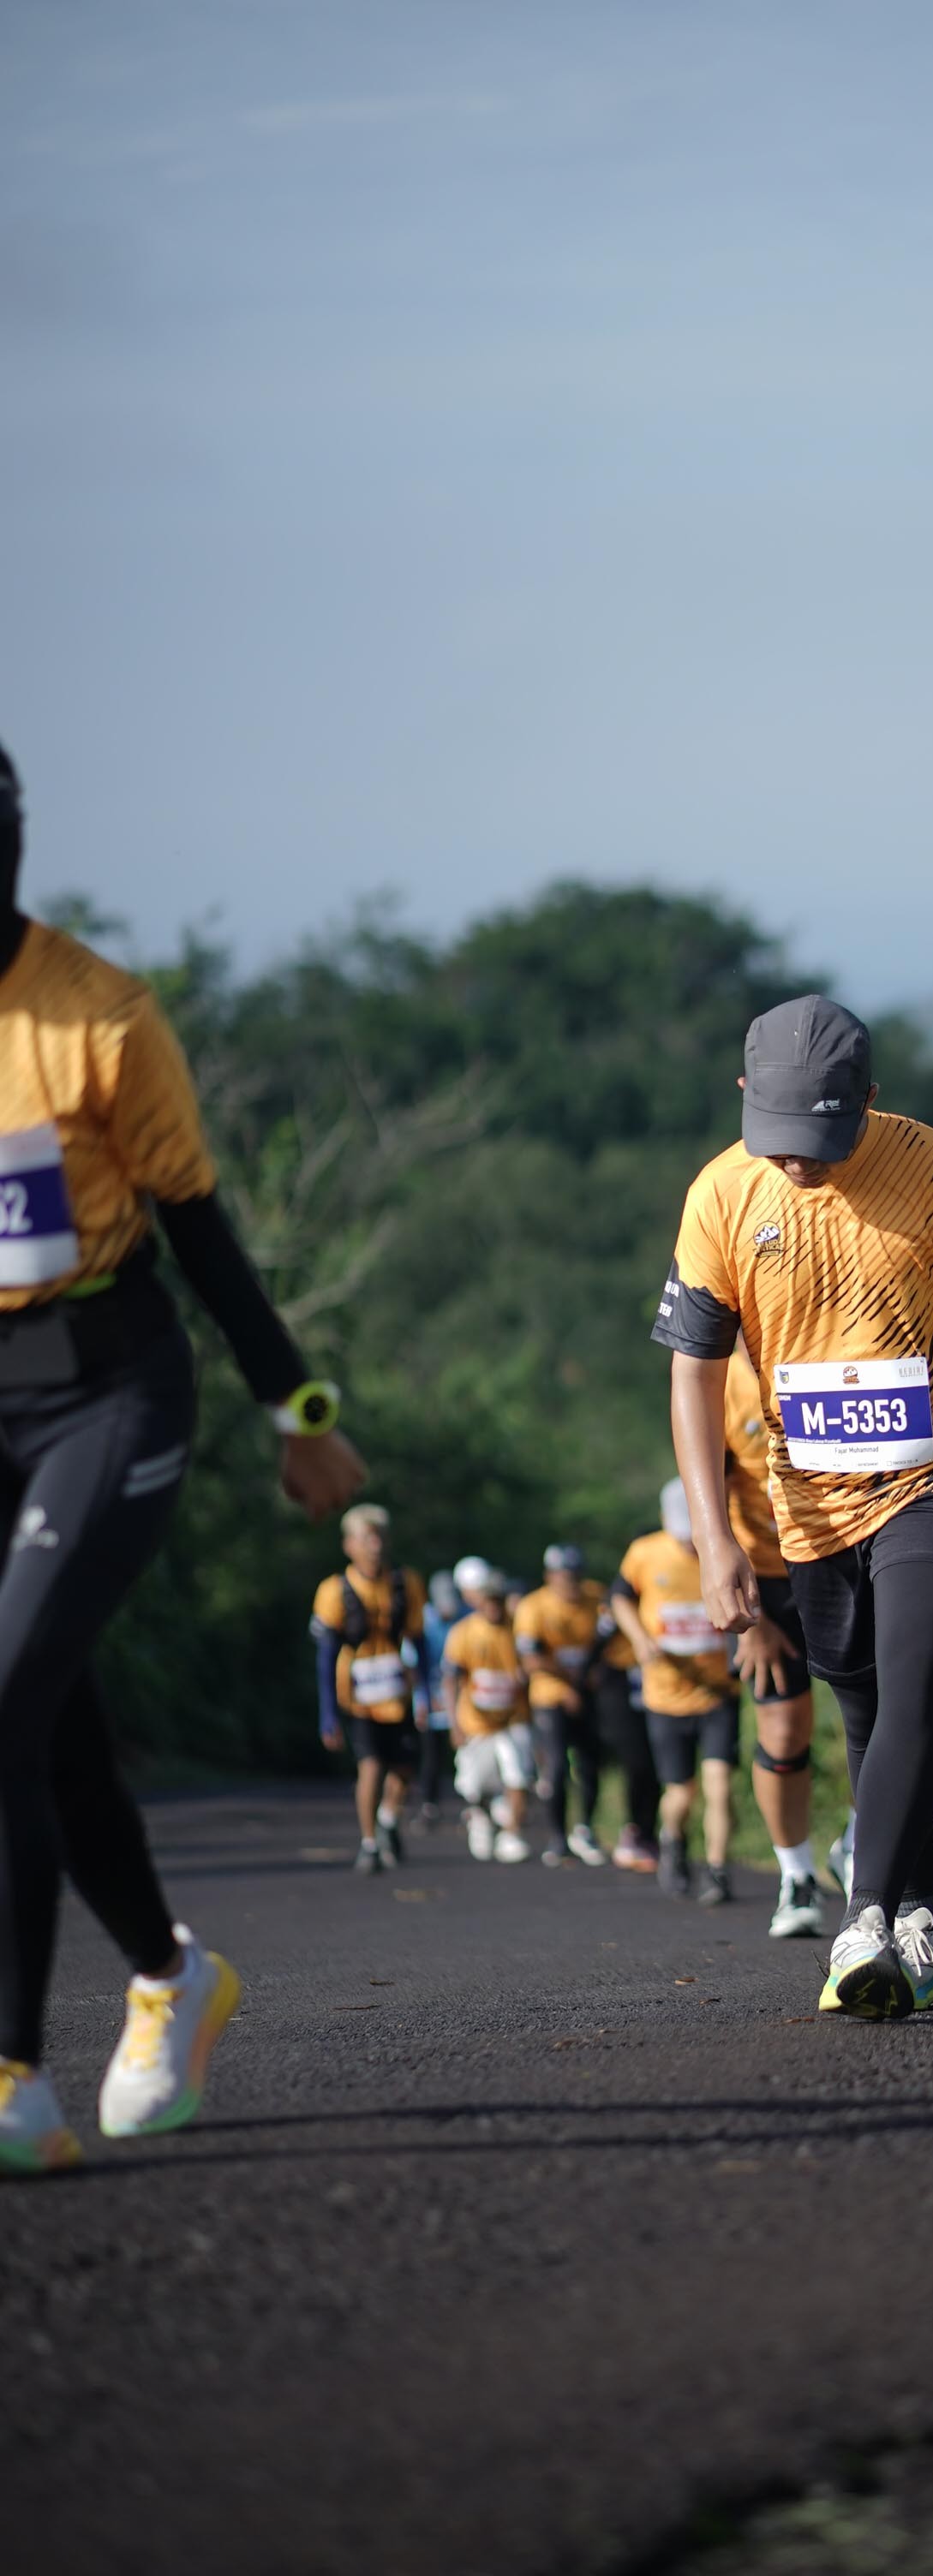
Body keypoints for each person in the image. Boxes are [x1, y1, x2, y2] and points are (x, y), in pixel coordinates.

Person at [0, 740, 366, 2174]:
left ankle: (12, 2078)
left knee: (4, 1704)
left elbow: (201, 1228)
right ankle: (168, 1974)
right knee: (42, 1725)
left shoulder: (98, 1017)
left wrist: (299, 1416)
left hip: (104, 1390)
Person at [652, 994, 933, 2018]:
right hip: (808, 1503)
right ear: (742, 1096)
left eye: (820, 1136)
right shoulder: (720, 1194)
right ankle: (926, 1917)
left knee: (914, 1673)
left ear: (869, 1101)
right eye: (777, 1135)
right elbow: (692, 1373)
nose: (797, 1160)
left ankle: (862, 1920)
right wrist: (714, 1538)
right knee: (863, 1703)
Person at [725, 1339, 825, 1938]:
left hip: (844, 1556)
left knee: (892, 1708)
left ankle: (866, 1848)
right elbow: (706, 1503)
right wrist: (752, 1618)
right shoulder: (717, 1379)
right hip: (767, 1579)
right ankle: (796, 1874)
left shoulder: (825, 1343)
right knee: (785, 1731)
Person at [610, 1482, 739, 1905]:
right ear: (665, 1521)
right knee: (681, 1794)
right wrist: (640, 1639)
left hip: (718, 1692)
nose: (689, 1543)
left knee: (719, 1786)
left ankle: (717, 1871)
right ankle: (673, 1840)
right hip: (665, 1697)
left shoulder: (726, 1548)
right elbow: (619, 1599)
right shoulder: (645, 1554)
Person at [309, 1504, 426, 1873]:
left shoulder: (406, 1584)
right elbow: (326, 1655)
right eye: (365, 1538)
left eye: (378, 1537)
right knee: (371, 1765)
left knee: (405, 1766)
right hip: (358, 1694)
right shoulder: (334, 1590)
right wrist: (328, 1714)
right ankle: (369, 1842)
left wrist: (425, 1692)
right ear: (349, 1545)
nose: (374, 1546)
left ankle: (388, 1816)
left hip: (398, 1691)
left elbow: (419, 1640)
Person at [515, 1543, 607, 1868]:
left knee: (590, 1763)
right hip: (551, 1695)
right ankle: (557, 1837)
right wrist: (570, 1683)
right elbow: (531, 1659)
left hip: (588, 1693)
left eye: (576, 1576)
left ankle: (585, 1829)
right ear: (550, 1576)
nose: (571, 1583)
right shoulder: (533, 1606)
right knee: (556, 1768)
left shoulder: (596, 1597)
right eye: (565, 1576)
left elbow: (607, 1641)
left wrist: (596, 1672)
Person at [442, 1561, 532, 1861]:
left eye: (498, 1600)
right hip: (477, 1722)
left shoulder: (518, 1629)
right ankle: (481, 1814)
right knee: (475, 1784)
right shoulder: (464, 1633)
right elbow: (451, 1679)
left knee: (518, 1776)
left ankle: (512, 1833)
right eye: (489, 1600)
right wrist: (455, 1724)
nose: (494, 1607)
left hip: (513, 1717)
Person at [590, 1613, 661, 1873]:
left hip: (659, 1678)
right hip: (619, 1685)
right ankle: (633, 1830)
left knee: (656, 1766)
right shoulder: (616, 1606)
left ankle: (651, 1833)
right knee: (635, 1763)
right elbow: (594, 1645)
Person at [415, 1570, 460, 1822]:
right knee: (431, 1755)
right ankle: (429, 1804)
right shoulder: (422, 1622)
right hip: (430, 1696)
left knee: (463, 1754)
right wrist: (423, 1699)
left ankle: (474, 1805)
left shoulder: (463, 1619)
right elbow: (412, 1666)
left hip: (458, 1697)